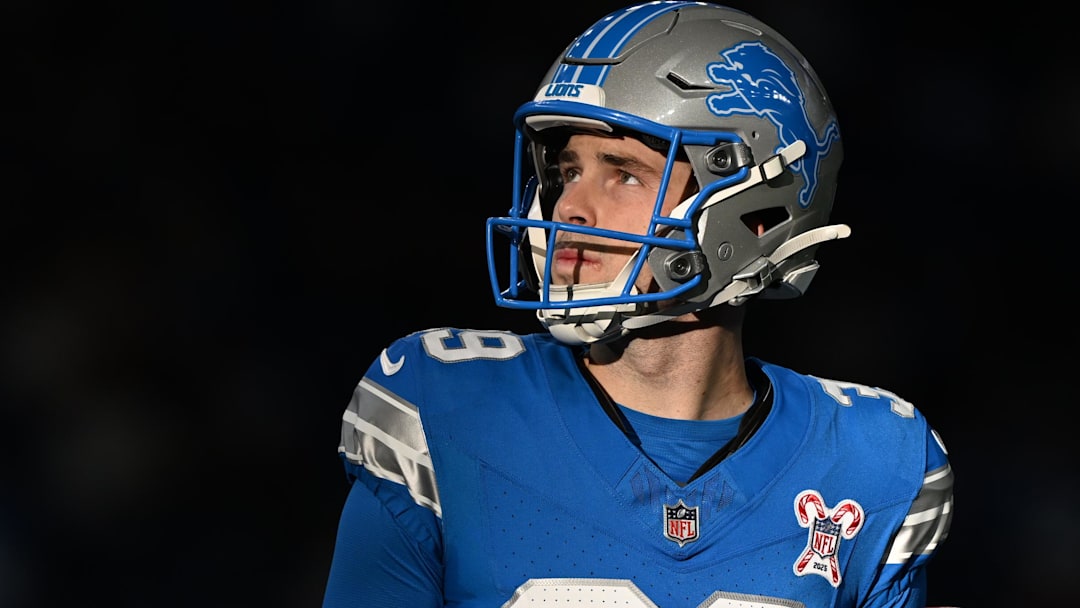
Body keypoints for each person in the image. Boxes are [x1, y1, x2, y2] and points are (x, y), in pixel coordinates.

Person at [321, 2, 955, 607]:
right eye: (567, 170)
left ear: (754, 212)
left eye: (623, 173)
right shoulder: (447, 406)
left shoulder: (874, 463)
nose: (568, 207)